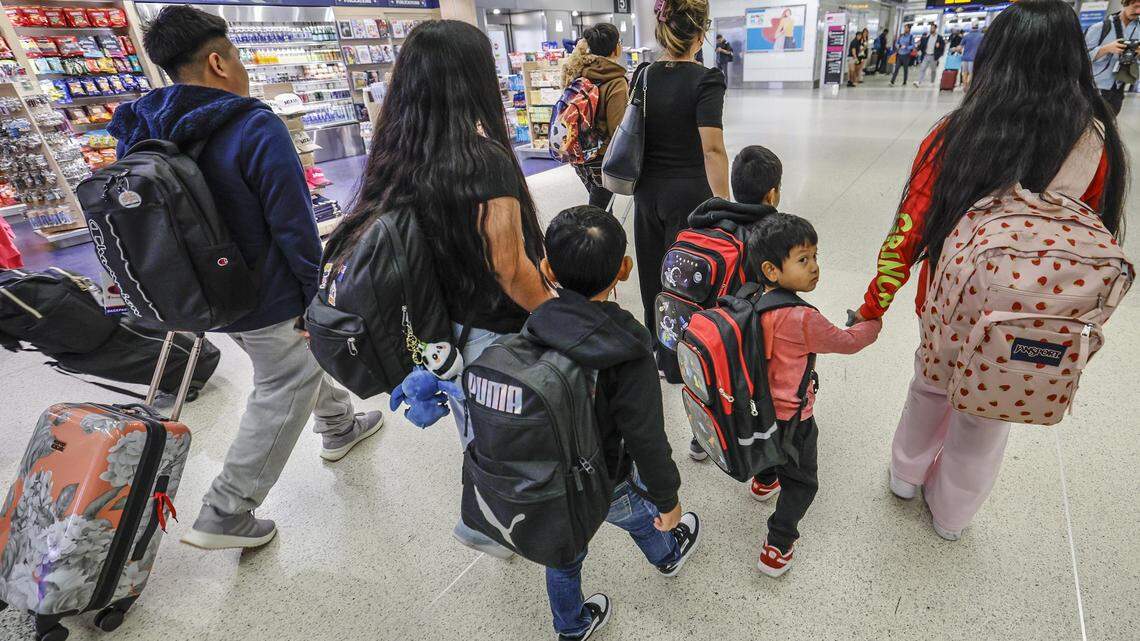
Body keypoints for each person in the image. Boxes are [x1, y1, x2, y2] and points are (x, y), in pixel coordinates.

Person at [109, 6, 382, 550]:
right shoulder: (252, 124)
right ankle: (226, 510)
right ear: (217, 60)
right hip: (268, 292)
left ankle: (339, 424)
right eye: (236, 56)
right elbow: (294, 224)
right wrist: (316, 297)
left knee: (291, 361)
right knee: (284, 379)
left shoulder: (139, 126)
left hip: (201, 291)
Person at [852, 0, 1126, 541]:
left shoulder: (957, 133)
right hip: (1031, 315)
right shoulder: (1096, 142)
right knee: (985, 415)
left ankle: (905, 476)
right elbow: (1096, 242)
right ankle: (951, 516)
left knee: (930, 387)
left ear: (996, 56)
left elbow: (908, 229)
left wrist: (872, 307)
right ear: (1074, 56)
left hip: (947, 302)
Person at [332, 20, 551, 559]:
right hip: (495, 336)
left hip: (439, 335)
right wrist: (564, 318)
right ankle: (505, 523)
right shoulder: (483, 162)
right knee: (514, 436)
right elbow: (510, 269)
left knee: (476, 430)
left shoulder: (400, 157)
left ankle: (489, 515)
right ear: (473, 79)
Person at [531, 206, 700, 641]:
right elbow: (645, 435)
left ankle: (571, 625)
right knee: (643, 519)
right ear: (624, 270)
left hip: (546, 472)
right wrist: (667, 498)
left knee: (566, 557)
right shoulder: (627, 345)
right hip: (606, 473)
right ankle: (668, 554)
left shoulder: (535, 324)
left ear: (547, 269)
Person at [744, 212, 882, 577]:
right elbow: (848, 342)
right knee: (803, 482)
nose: (815, 267)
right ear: (772, 269)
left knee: (772, 449)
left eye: (816, 257)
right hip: (794, 418)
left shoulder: (750, 299)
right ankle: (778, 544)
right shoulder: (803, 318)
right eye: (803, 260)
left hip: (758, 408)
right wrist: (872, 323)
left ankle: (764, 480)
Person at [638, 0, 729, 384]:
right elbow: (712, 149)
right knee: (687, 277)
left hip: (646, 191)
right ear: (701, 32)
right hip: (689, 194)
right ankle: (685, 360)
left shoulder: (643, 74)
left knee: (652, 275)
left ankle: (660, 354)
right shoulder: (706, 80)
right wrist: (725, 205)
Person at [683, 146, 782, 462]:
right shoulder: (770, 234)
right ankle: (761, 463)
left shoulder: (708, 221)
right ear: (772, 194)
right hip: (742, 330)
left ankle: (702, 438)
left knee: (708, 378)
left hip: (703, 325)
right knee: (748, 389)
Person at [561, 23, 629, 210]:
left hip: (580, 152)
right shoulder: (616, 81)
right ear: (617, 47)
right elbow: (618, 128)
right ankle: (591, 239)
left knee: (600, 206)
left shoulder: (580, 71)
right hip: (602, 156)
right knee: (599, 212)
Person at [1086, 0, 1140, 114]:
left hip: (1118, 89)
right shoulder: (1100, 28)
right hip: (1095, 88)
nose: (1138, 11)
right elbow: (1081, 58)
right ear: (1125, 3)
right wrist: (1106, 49)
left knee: (1109, 127)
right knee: (1087, 127)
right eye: (1136, 6)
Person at [959, 23, 984, 88]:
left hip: (965, 58)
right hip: (973, 58)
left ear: (971, 27)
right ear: (978, 27)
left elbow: (960, 48)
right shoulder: (982, 36)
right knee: (971, 73)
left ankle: (964, 86)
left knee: (964, 73)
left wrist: (953, 49)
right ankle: (968, 84)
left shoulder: (966, 36)